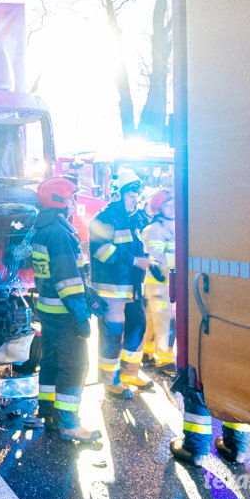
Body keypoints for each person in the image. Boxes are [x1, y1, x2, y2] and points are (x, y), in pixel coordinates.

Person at [32, 175, 103, 443]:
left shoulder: (45, 229)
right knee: (75, 366)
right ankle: (69, 424)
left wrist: (89, 292)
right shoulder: (60, 234)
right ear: (60, 200)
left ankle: (49, 414)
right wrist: (81, 314)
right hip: (64, 313)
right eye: (72, 197)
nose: (75, 203)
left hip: (49, 311)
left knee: (51, 363)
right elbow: (67, 282)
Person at [89, 168, 152, 398]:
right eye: (131, 194)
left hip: (132, 288)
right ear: (118, 194)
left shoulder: (135, 217)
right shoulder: (104, 218)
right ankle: (110, 381)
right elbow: (101, 250)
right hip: (111, 290)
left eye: (137, 194)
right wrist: (135, 260)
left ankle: (130, 373)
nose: (135, 199)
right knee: (113, 335)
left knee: (137, 328)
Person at [142, 189, 177, 375]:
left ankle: (147, 354)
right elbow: (158, 259)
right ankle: (164, 361)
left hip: (165, 283)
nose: (173, 208)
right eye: (168, 205)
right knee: (164, 321)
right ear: (158, 209)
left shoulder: (171, 226)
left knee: (152, 320)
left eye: (173, 204)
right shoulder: (154, 230)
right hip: (160, 282)